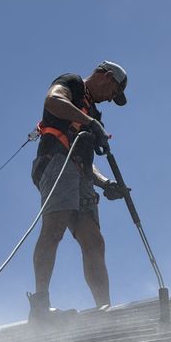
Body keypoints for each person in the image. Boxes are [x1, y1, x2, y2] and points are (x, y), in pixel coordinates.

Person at [28, 62, 130, 323]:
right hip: (56, 162)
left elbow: (86, 163)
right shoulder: (72, 82)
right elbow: (52, 101)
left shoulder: (95, 114)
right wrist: (89, 121)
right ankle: (40, 307)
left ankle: (104, 309)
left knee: (93, 239)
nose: (109, 99)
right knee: (54, 227)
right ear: (105, 77)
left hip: (79, 173)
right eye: (113, 92)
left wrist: (106, 183)